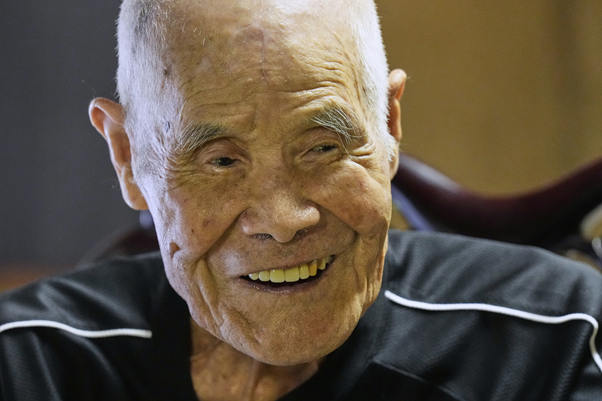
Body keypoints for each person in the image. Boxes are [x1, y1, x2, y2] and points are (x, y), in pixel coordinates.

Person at [1, 0, 601, 399]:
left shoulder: (559, 342)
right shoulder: (29, 366)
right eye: (221, 161)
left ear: (389, 127)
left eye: (322, 148)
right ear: (128, 158)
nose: (284, 221)